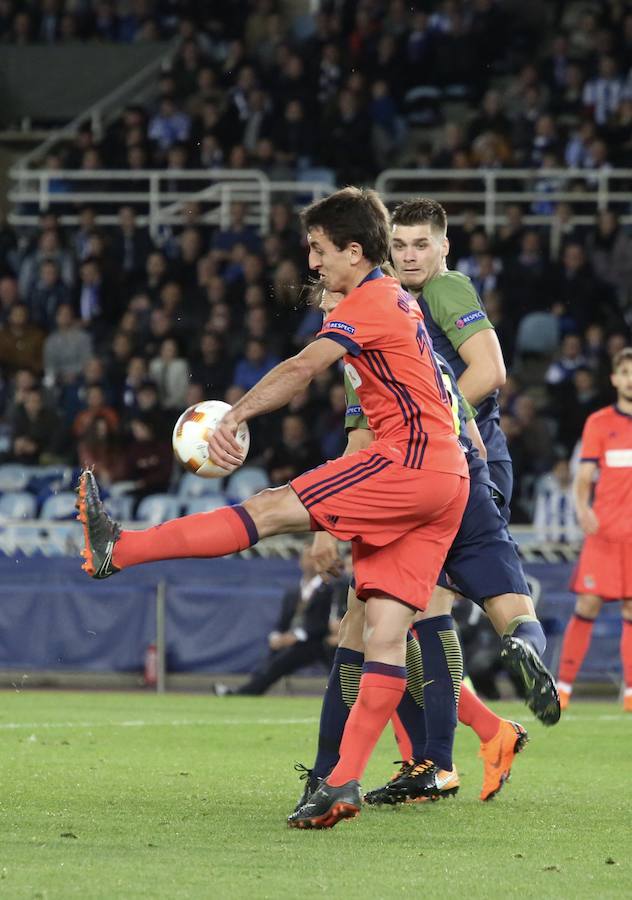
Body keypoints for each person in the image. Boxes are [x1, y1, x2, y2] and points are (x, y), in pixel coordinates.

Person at [77, 186, 470, 830]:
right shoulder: (397, 299)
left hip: (410, 461)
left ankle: (119, 549)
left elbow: (302, 367)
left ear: (353, 251)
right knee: (385, 633)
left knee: (267, 507)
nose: (312, 263)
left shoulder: (372, 300)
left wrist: (234, 415)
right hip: (447, 477)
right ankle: (341, 785)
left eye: (319, 250)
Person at [293, 286, 556, 818]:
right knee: (389, 627)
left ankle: (402, 764)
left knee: (383, 625)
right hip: (450, 472)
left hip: (426, 480)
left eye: (333, 297)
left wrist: (325, 522)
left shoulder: (425, 302)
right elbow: (451, 418)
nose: (326, 309)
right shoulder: (393, 331)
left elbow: (485, 375)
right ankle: (468, 738)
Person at [557, 347, 632, 712]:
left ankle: (631, 694)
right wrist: (582, 508)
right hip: (604, 532)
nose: (631, 379)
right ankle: (563, 688)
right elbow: (584, 476)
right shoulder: (599, 423)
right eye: (625, 372)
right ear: (615, 379)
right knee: (587, 603)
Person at [213, 546, 345, 696]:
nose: (311, 561)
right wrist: (277, 636)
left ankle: (246, 691)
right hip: (296, 642)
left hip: (317, 641)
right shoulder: (294, 591)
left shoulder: (330, 587)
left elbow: (323, 622)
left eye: (315, 557)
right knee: (272, 660)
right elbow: (284, 621)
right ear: (300, 561)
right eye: (308, 557)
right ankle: (247, 690)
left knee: (289, 660)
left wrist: (296, 636)